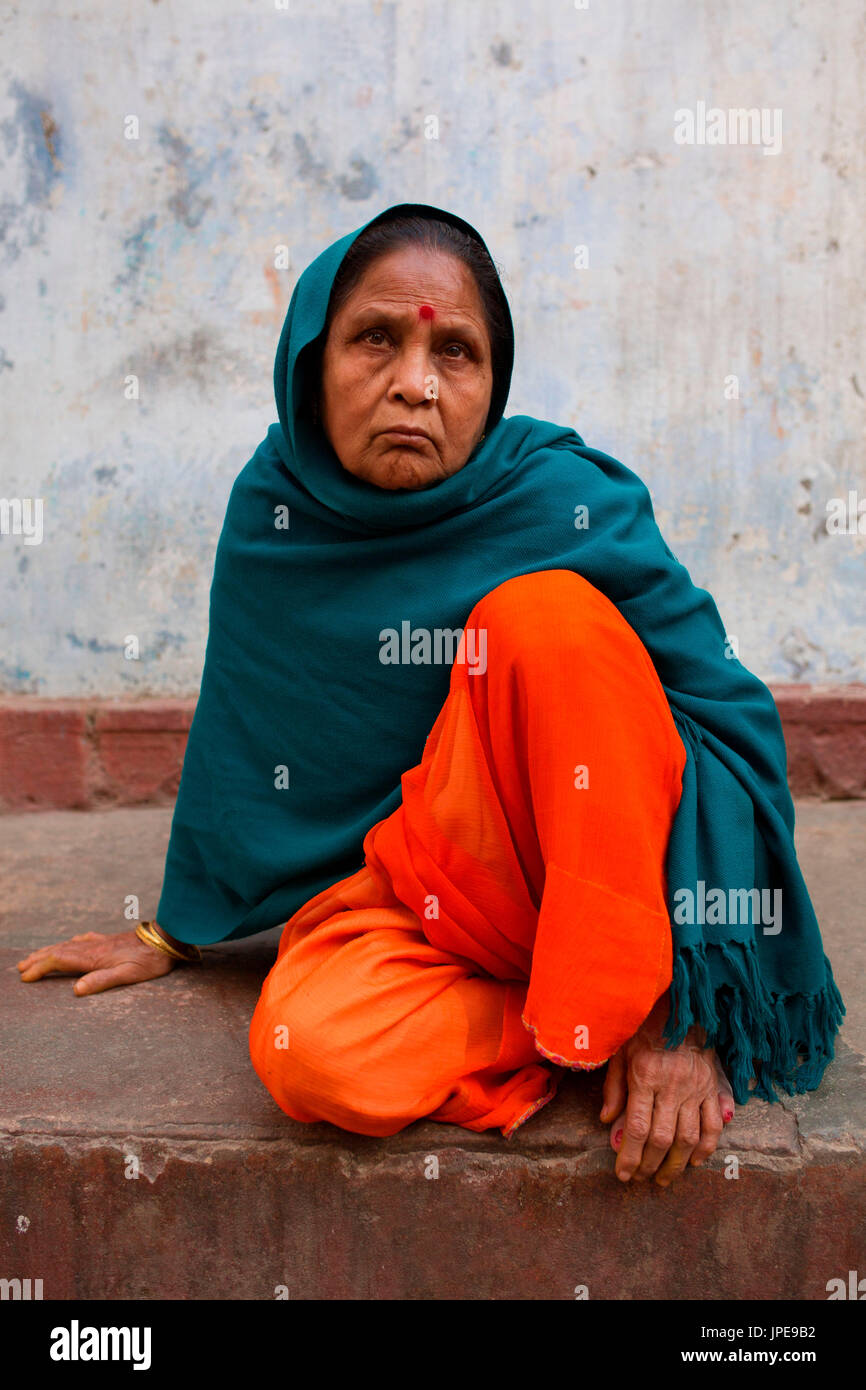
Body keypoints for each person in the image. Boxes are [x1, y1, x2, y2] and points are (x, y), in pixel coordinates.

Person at [18, 203, 844, 1188]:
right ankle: (564, 1017)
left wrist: (688, 1010)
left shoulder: (558, 496)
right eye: (375, 339)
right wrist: (173, 928)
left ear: (491, 386)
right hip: (433, 895)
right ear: (311, 364)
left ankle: (631, 999)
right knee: (304, 1044)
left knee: (542, 616)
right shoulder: (275, 515)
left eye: (455, 352)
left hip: (609, 879)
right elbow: (247, 745)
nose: (414, 383)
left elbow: (725, 729)